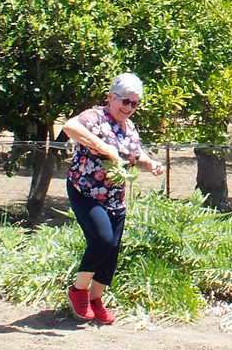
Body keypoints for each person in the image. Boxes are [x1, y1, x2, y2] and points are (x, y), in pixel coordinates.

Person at [63, 73, 164, 324]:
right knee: (102, 240)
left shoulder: (129, 128)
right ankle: (78, 291)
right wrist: (102, 146)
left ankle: (97, 300)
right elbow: (70, 127)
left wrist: (150, 164)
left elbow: (134, 156)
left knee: (112, 251)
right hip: (85, 190)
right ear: (110, 97)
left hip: (115, 197)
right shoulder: (96, 117)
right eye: (125, 101)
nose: (129, 107)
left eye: (134, 104)